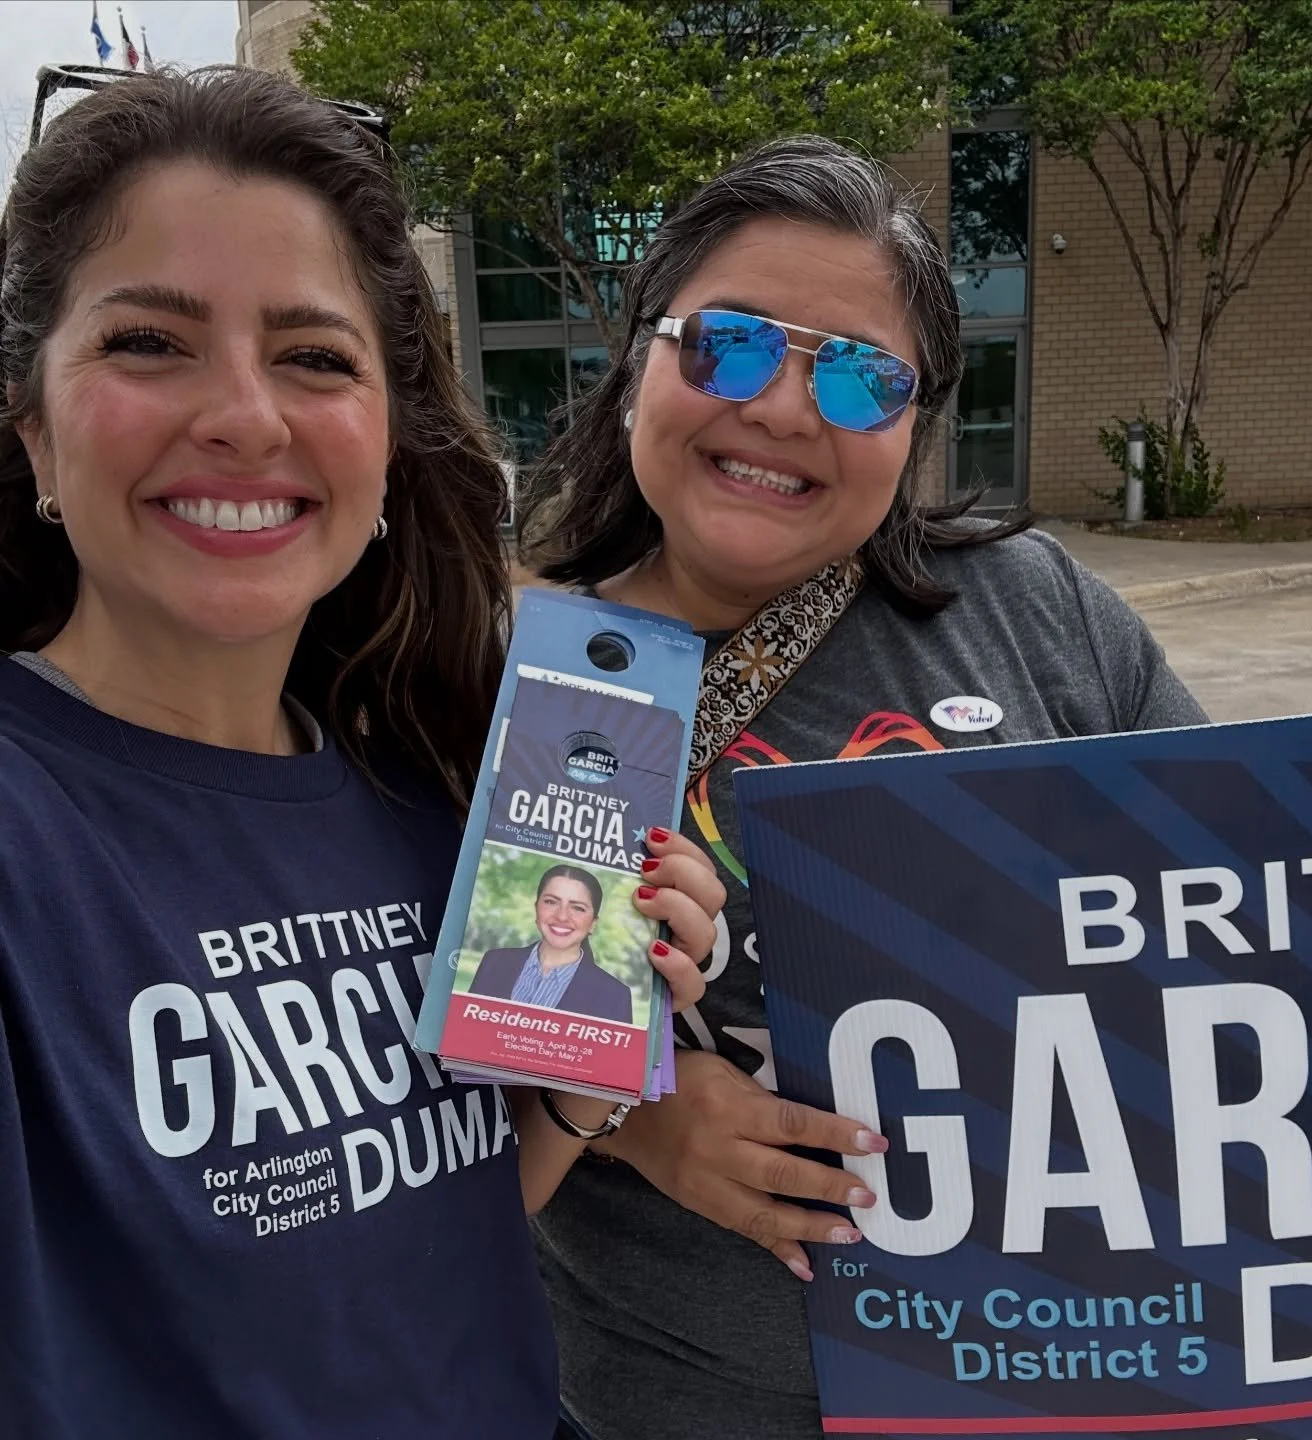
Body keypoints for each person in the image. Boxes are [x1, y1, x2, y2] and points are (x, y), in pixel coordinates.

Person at [0, 66, 725, 1439]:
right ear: (33, 422)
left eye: (315, 356)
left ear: (387, 443)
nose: (245, 416)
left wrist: (574, 1092)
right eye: (149, 342)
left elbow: (408, 1232)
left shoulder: (430, 795)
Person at [517, 136, 1209, 1440]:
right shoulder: (550, 680)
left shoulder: (1037, 610)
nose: (783, 407)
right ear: (637, 370)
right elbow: (451, 1104)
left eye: (856, 378)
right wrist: (644, 1116)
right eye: (725, 343)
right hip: (691, 1401)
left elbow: (1239, 917)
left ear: (914, 429)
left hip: (1063, 1368)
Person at [469, 864, 635, 1024]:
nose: (562, 916)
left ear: (593, 923)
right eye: (551, 902)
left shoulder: (615, 996)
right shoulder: (494, 962)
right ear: (536, 908)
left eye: (577, 908)